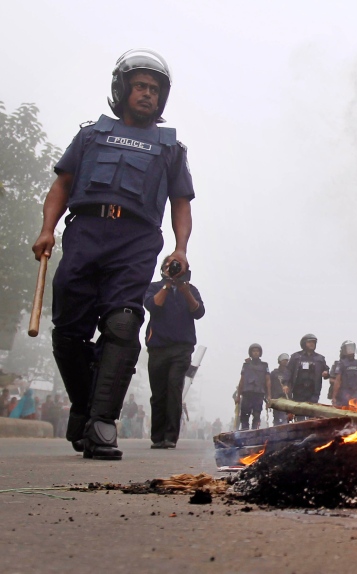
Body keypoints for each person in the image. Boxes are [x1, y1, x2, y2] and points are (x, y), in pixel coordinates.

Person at [31, 49, 195, 460]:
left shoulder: (171, 148)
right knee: (68, 331)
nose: (147, 94)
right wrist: (47, 229)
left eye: (154, 89)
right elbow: (61, 187)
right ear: (122, 89)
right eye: (139, 86)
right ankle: (85, 407)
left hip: (136, 240)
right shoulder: (90, 135)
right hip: (85, 233)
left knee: (123, 323)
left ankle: (103, 423)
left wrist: (180, 248)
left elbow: (181, 203)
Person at [144, 257, 205, 449]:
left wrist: (184, 289)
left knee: (174, 388)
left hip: (181, 348)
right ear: (164, 268)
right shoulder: (154, 287)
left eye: (179, 266)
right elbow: (153, 305)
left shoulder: (191, 289)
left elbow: (199, 312)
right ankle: (157, 436)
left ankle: (170, 436)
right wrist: (168, 285)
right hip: (158, 347)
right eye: (171, 265)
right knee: (158, 392)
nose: (175, 268)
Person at [286, 334, 329, 409]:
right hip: (298, 390)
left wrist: (326, 372)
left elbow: (326, 370)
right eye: (309, 342)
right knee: (299, 411)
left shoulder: (320, 358)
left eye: (313, 342)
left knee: (312, 411)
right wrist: (285, 384)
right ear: (304, 343)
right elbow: (288, 371)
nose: (312, 344)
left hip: (313, 391)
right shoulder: (296, 357)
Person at [235, 344, 271, 430]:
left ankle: (255, 431)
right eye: (253, 351)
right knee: (244, 415)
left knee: (257, 414)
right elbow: (242, 380)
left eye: (257, 351)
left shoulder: (264, 365)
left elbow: (268, 380)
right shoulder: (246, 365)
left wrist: (269, 395)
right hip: (247, 393)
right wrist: (238, 396)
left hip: (259, 393)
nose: (255, 353)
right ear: (250, 353)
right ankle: (244, 431)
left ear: (260, 353)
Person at [331, 341, 357, 407]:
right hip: (344, 393)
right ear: (344, 350)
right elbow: (337, 381)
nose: (351, 350)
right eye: (348, 348)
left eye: (352, 348)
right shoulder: (341, 363)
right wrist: (334, 397)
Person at [269, 353, 291, 426]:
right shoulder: (274, 373)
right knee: (277, 417)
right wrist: (269, 397)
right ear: (279, 361)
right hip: (276, 398)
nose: (285, 362)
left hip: (286, 398)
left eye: (286, 360)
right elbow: (270, 385)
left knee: (286, 417)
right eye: (283, 360)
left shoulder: (289, 373)